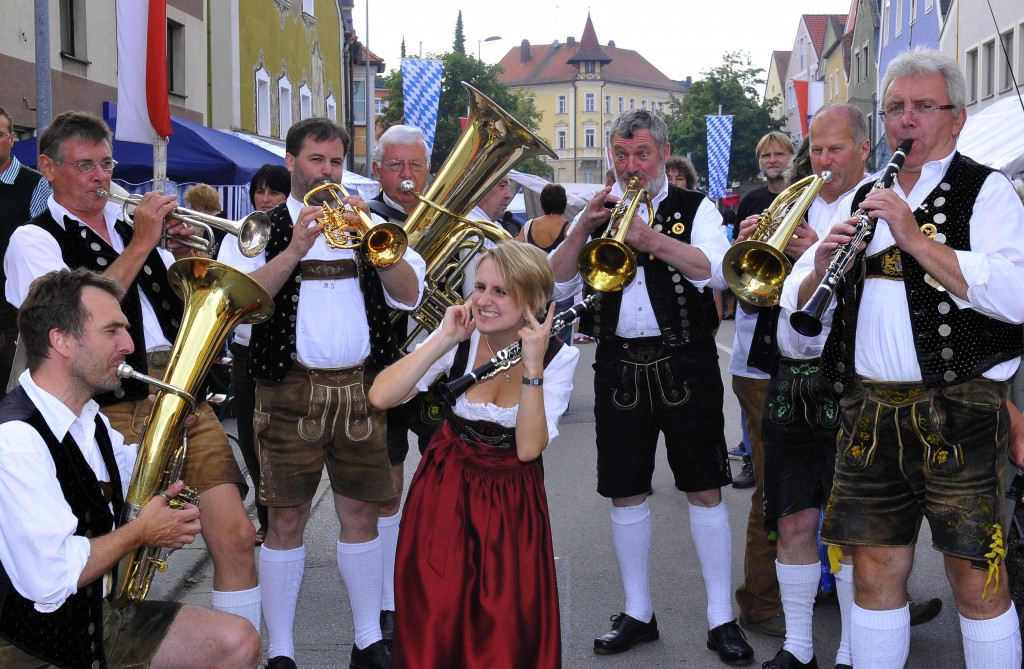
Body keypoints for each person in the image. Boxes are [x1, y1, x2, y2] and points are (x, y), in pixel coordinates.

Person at [783, 48, 1024, 668]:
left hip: (960, 409)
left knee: (978, 580)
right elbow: (799, 335)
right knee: (873, 575)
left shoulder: (986, 189)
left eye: (923, 107)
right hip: (867, 411)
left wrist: (914, 238)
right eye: (895, 109)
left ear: (958, 117)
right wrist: (814, 274)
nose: (906, 120)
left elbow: (1016, 296)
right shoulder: (860, 194)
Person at [4, 111, 263, 635]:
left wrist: (187, 257)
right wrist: (143, 244)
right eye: (85, 166)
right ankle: (115, 646)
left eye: (106, 164)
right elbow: (69, 315)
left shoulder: (130, 227)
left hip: (179, 386)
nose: (102, 177)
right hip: (106, 402)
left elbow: (178, 306)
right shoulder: (33, 239)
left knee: (235, 535)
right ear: (48, 168)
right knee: (118, 553)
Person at [550, 109, 753, 665]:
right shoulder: (596, 210)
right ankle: (637, 612)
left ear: (664, 153)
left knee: (704, 486)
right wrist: (580, 229)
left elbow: (713, 268)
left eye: (641, 154)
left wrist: (649, 237)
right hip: (618, 364)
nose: (630, 166)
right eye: (621, 154)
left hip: (685, 362)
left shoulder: (696, 207)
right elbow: (555, 280)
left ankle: (720, 618)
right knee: (625, 488)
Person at [233, 116, 425, 669]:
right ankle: (284, 650)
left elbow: (410, 297)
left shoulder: (367, 225)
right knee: (285, 521)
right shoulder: (258, 228)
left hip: (362, 390)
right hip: (288, 392)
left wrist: (375, 244)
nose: (327, 172)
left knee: (363, 512)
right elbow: (241, 307)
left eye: (336, 162)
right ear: (291, 162)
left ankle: (368, 639)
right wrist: (294, 249)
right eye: (316, 160)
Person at [0, 268, 260, 669]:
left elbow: (137, 474)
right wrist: (142, 531)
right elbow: (48, 581)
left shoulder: (90, 419)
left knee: (236, 641)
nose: (129, 344)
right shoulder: (16, 440)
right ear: (61, 340)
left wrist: (170, 432)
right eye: (112, 331)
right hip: (27, 648)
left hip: (94, 620)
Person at [368, 241, 579, 669]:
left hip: (510, 505)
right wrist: (445, 337)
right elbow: (381, 395)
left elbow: (527, 447)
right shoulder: (461, 339)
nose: (483, 300)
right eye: (480, 287)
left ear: (532, 302)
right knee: (434, 612)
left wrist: (533, 369)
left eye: (500, 292)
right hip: (444, 491)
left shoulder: (559, 357)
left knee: (502, 626)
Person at [754, 104, 870, 669]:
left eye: (836, 149)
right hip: (790, 378)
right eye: (816, 149)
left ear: (864, 149)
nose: (822, 161)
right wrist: (768, 244)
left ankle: (851, 646)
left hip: (851, 383)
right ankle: (798, 644)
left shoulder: (880, 203)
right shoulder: (793, 205)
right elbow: (762, 296)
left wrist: (816, 255)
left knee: (849, 524)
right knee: (793, 517)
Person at [367, 123, 433, 645]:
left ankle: (438, 579)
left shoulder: (449, 218)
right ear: (377, 171)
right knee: (388, 487)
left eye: (415, 167)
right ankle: (389, 599)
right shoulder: (363, 220)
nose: (407, 176)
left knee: (445, 479)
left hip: (439, 369)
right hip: (385, 367)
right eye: (396, 166)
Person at [729, 130, 795, 643]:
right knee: (773, 486)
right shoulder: (751, 201)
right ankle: (759, 598)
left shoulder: (815, 195)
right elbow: (742, 285)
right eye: (766, 156)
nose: (773, 162)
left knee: (840, 481)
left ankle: (858, 584)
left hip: (809, 355)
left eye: (780, 155)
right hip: (759, 362)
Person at [217, 163, 290, 548]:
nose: (265, 198)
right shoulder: (242, 228)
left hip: (286, 348)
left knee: (284, 439)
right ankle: (267, 520)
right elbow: (233, 285)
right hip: (248, 347)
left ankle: (286, 519)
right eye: (260, 191)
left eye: (274, 191)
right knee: (251, 437)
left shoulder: (296, 225)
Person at [0, 105, 52, 399]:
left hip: (11, 318)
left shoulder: (35, 185)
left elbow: (39, 246)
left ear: (12, 139)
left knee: (13, 404)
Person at [517, 182, 574, 343]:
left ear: (542, 203)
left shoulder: (528, 226)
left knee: (533, 338)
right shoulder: (568, 228)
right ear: (563, 204)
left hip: (535, 291)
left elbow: (518, 257)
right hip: (561, 292)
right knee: (560, 342)